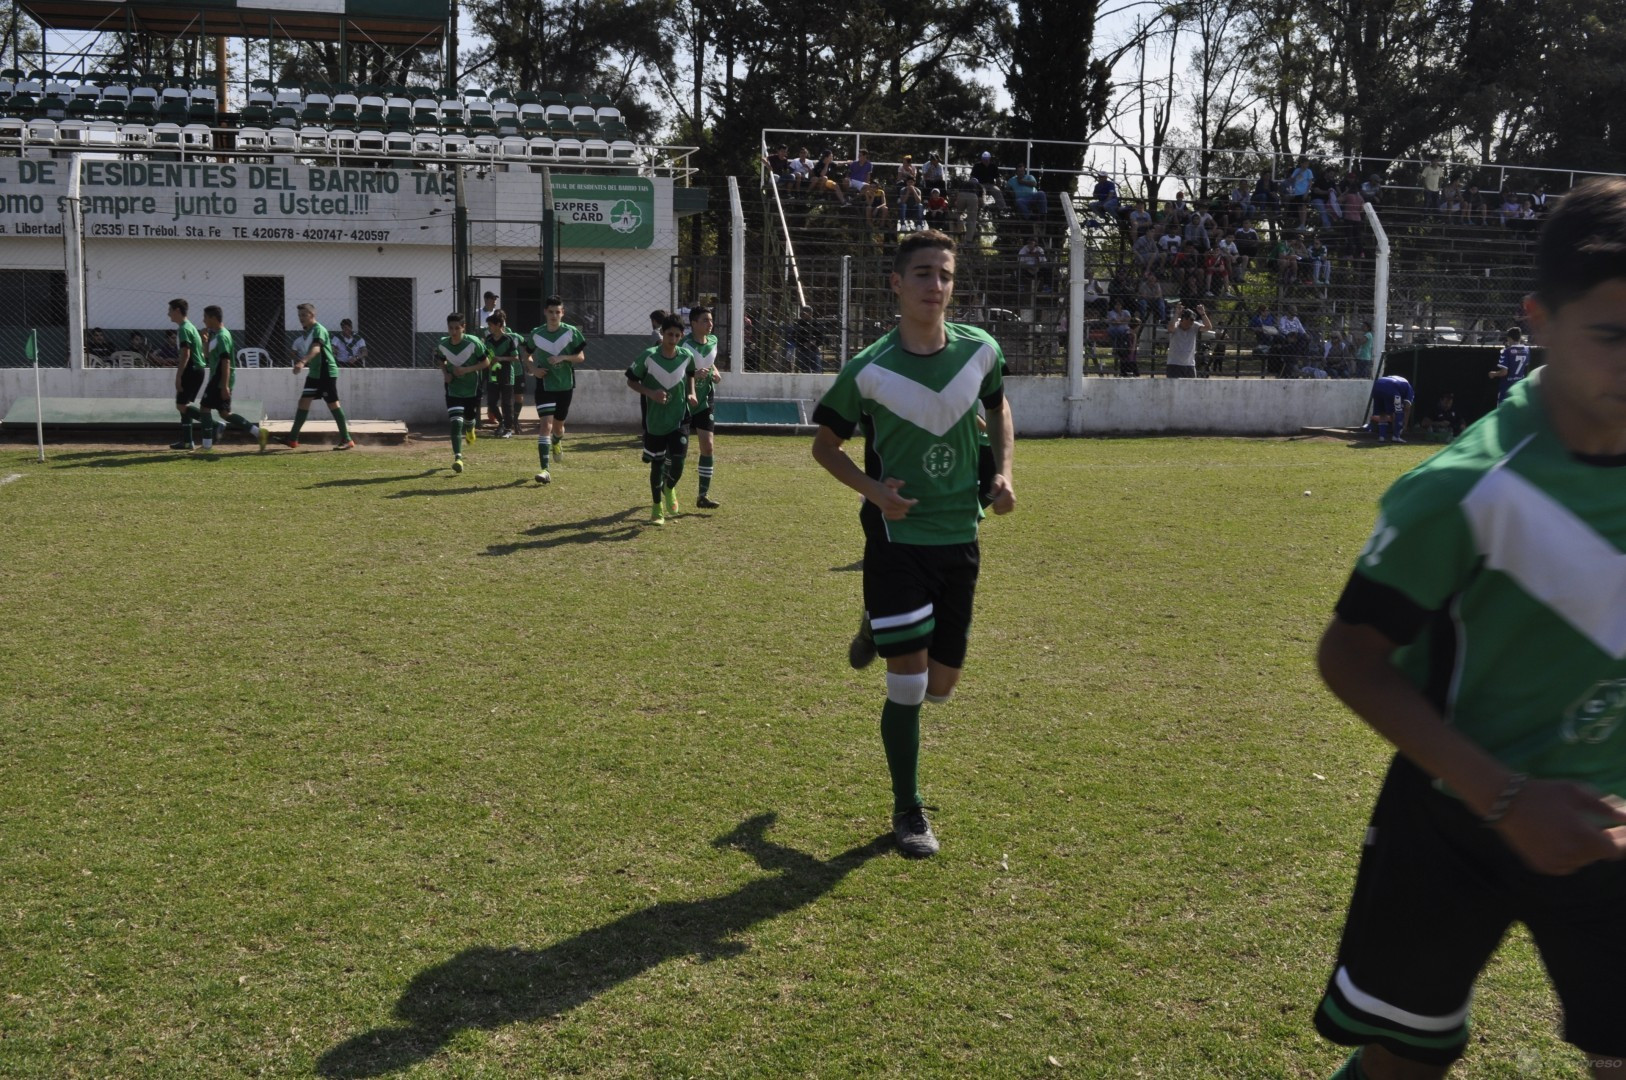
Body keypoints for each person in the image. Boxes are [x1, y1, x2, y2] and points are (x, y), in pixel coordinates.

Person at [1311, 176, 1626, 1080]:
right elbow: (1350, 657)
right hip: (1452, 820)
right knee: (1402, 1060)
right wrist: (1506, 798)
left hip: (1611, 820)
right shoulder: (1462, 490)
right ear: (1539, 322)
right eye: (1612, 336)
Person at [810, 229, 1015, 858]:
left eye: (945, 274)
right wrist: (874, 490)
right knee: (908, 685)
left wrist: (1005, 471)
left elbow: (999, 407)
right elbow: (825, 447)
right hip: (896, 541)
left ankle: (877, 624)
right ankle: (908, 808)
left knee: (941, 688)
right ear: (897, 284)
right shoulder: (868, 369)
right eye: (923, 273)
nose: (936, 285)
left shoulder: (981, 350)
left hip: (961, 535)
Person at [626, 313, 697, 525]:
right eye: (669, 335)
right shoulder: (649, 356)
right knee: (657, 464)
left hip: (679, 417)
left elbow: (691, 374)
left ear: (681, 336)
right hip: (656, 420)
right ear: (662, 334)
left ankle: (669, 487)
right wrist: (650, 393)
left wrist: (691, 393)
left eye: (677, 335)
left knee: (678, 462)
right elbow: (631, 381)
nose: (673, 339)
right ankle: (657, 508)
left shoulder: (686, 356)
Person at [262, 302, 356, 451]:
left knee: (333, 404)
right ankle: (292, 439)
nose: (301, 318)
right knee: (303, 402)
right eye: (299, 315)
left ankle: (347, 439)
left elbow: (316, 348)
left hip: (325, 372)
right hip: (314, 373)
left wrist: (302, 362)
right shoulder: (307, 332)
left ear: (312, 315)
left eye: (304, 315)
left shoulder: (318, 329)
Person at [524, 295, 588, 484]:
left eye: (557, 312)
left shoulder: (571, 332)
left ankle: (557, 441)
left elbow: (581, 357)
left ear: (562, 313)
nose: (554, 316)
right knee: (546, 425)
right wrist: (533, 369)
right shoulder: (537, 334)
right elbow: (526, 355)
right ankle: (544, 470)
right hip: (545, 385)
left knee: (558, 427)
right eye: (550, 312)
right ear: (545, 312)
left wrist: (563, 357)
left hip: (565, 384)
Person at [197, 305, 261, 450]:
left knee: (205, 408)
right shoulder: (215, 335)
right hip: (218, 378)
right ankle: (257, 432)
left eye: (205, 317)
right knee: (225, 413)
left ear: (213, 318)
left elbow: (226, 361)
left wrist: (225, 385)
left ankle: (206, 445)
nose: (203, 320)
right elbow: (207, 355)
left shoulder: (222, 336)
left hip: (219, 378)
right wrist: (205, 340)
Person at [683, 306, 723, 509]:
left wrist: (715, 373)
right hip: (683, 400)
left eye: (711, 320)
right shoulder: (683, 344)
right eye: (705, 320)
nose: (710, 324)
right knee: (676, 451)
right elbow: (672, 369)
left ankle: (703, 496)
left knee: (707, 446)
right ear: (694, 323)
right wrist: (691, 374)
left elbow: (710, 361)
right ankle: (665, 485)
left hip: (705, 400)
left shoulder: (713, 341)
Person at [438, 312, 489, 474]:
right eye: (450, 328)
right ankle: (458, 458)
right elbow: (440, 359)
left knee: (468, 418)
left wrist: (466, 370)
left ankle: (470, 427)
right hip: (453, 388)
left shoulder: (473, 343)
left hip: (472, 388)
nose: (453, 332)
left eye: (457, 328)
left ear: (463, 328)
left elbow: (486, 362)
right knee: (456, 422)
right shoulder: (443, 344)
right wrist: (446, 374)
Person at [167, 299, 209, 450]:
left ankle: (214, 425)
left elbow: (186, 353)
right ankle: (187, 441)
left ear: (177, 310)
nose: (168, 314)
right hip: (197, 369)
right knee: (184, 404)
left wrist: (179, 376)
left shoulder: (184, 329)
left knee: (181, 405)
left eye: (170, 310)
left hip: (191, 369)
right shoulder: (190, 327)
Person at [483, 309, 525, 439]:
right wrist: (489, 361)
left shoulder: (508, 339)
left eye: (490, 325)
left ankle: (508, 429)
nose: (489, 328)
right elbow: (486, 354)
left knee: (506, 403)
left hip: (507, 374)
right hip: (493, 374)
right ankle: (502, 421)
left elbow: (515, 358)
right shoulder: (488, 339)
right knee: (491, 402)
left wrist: (500, 358)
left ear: (498, 325)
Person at [1165, 304, 1212, 379]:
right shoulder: (1176, 324)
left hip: (1189, 364)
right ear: (1182, 319)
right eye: (1187, 323)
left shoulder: (1194, 326)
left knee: (1191, 386)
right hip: (1174, 364)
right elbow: (1170, 329)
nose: (1189, 325)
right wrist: (1176, 314)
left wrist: (1203, 314)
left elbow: (1208, 327)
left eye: (1191, 323)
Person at [1490, 325, 1533, 402]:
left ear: (1509, 338)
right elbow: (1526, 368)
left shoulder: (1506, 351)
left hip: (1507, 387)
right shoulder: (1527, 350)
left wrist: (1494, 374)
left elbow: (1504, 372)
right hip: (1519, 387)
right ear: (1520, 337)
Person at [1368, 371, 1414, 442]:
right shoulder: (1410, 389)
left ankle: (1382, 437)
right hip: (1391, 386)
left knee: (1382, 412)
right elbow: (1407, 407)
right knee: (1399, 412)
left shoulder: (1400, 383)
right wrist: (1405, 425)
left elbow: (1392, 411)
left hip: (1377, 385)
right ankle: (1396, 436)